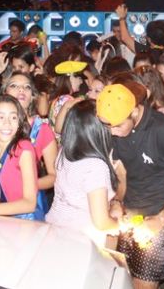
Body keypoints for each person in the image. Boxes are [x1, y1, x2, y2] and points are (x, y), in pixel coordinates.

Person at [97, 81, 164, 288]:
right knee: (121, 280)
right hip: (129, 217)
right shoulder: (117, 130)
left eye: (117, 126)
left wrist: (162, 219)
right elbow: (123, 173)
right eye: (108, 126)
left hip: (159, 220)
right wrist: (117, 200)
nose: (112, 132)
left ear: (134, 111)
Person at [46, 99, 119, 244]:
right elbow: (101, 222)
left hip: (54, 229)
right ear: (98, 129)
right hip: (80, 241)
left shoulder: (65, 152)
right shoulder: (95, 166)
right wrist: (118, 225)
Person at [0, 94, 42, 219]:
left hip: (25, 223)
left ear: (19, 122)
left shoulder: (23, 148)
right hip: (5, 221)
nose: (7, 123)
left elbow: (30, 203)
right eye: (0, 117)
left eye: (13, 117)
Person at [2, 72, 57, 205]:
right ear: (4, 93)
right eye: (14, 86)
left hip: (28, 204)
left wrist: (28, 184)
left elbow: (54, 176)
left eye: (27, 87)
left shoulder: (41, 129)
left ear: (32, 96)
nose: (21, 89)